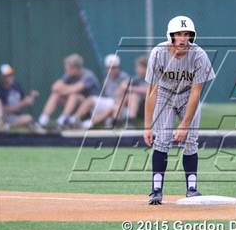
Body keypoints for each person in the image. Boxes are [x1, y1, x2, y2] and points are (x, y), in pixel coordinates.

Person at [144, 15, 215, 205]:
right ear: (170, 36)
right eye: (178, 34)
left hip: (186, 96)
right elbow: (151, 91)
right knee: (162, 140)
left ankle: (192, 188)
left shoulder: (198, 54)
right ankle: (156, 190)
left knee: (191, 140)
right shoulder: (158, 53)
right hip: (165, 95)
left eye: (187, 34)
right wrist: (147, 126)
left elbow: (195, 93)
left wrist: (184, 125)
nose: (183, 38)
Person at [37, 54, 100, 129]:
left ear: (75, 68)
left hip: (90, 110)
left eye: (68, 69)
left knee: (74, 95)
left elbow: (75, 89)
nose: (66, 71)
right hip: (75, 107)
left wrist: (63, 89)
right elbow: (54, 87)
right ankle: (42, 120)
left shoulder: (89, 76)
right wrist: (65, 90)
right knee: (56, 94)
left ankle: (62, 121)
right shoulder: (69, 75)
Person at [70, 54, 129, 129]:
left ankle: (89, 123)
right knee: (90, 100)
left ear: (118, 67)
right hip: (110, 101)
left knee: (112, 107)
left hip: (121, 106)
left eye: (114, 68)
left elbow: (126, 96)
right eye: (109, 68)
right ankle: (74, 120)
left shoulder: (125, 77)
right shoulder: (107, 79)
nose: (111, 70)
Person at [0, 64, 39, 131]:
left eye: (11, 74)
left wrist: (31, 96)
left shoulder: (16, 85)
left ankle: (6, 126)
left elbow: (24, 99)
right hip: (3, 117)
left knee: (29, 118)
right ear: (2, 77)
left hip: (15, 117)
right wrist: (22, 104)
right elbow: (2, 110)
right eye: (8, 76)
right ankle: (0, 125)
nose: (11, 77)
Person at [112, 55, 148, 128]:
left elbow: (148, 90)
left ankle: (131, 122)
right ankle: (116, 120)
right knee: (126, 96)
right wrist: (123, 86)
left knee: (133, 95)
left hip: (148, 107)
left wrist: (130, 88)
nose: (137, 69)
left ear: (146, 68)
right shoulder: (137, 78)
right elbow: (122, 87)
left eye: (139, 67)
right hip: (138, 107)